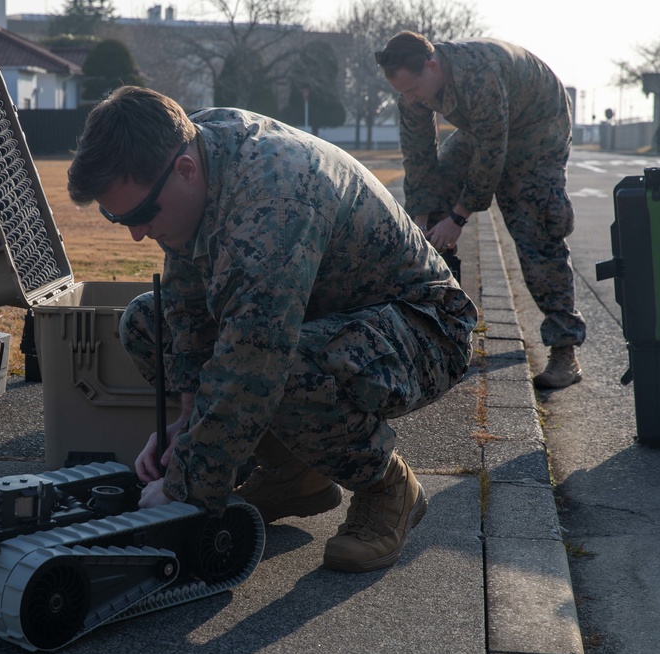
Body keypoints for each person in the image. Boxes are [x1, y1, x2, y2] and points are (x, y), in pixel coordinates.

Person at [67, 86, 476, 573]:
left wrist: (184, 487)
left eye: (139, 215)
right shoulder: (193, 148)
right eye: (119, 219)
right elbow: (186, 305)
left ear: (184, 170)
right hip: (326, 317)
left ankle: (387, 485)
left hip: (423, 328)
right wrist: (186, 421)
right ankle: (294, 473)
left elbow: (253, 365)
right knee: (144, 322)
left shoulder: (273, 200)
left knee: (284, 366)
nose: (135, 233)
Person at [376, 31, 586, 389]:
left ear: (432, 65)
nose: (409, 100)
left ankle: (564, 348)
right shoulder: (413, 90)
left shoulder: (478, 74)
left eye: (413, 90)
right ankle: (444, 325)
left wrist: (457, 218)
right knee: (437, 193)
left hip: (537, 128)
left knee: (535, 225)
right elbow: (419, 157)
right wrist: (424, 217)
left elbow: (491, 154)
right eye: (402, 93)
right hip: (488, 127)